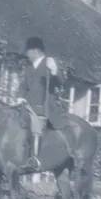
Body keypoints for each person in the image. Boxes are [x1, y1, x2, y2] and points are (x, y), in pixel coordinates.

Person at [15, 36, 64, 170]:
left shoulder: (49, 64)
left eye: (28, 51)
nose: (26, 54)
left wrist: (54, 70)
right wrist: (20, 97)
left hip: (45, 106)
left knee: (35, 124)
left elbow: (60, 82)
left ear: (35, 51)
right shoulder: (28, 68)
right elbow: (23, 86)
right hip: (28, 106)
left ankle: (35, 159)